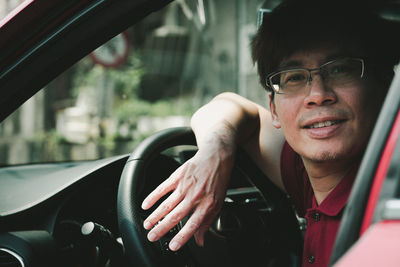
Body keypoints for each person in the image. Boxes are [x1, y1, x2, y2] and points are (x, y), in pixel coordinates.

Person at [141, 0, 399, 266]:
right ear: (274, 110)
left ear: (386, 89)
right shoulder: (310, 176)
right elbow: (229, 105)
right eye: (295, 77)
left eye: (340, 69)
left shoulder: (389, 198)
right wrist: (214, 152)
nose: (318, 95)